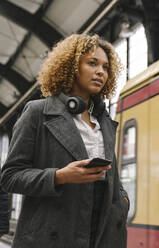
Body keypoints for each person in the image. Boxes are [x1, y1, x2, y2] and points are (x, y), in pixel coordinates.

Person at [0, 34, 129, 248]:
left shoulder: (104, 121)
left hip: (102, 234)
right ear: (71, 67)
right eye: (92, 63)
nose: (100, 72)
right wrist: (59, 176)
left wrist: (122, 200)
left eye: (106, 67)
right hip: (55, 233)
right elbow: (10, 176)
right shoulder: (37, 113)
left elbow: (111, 174)